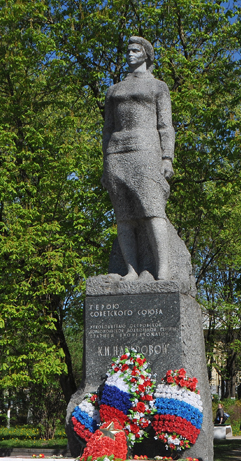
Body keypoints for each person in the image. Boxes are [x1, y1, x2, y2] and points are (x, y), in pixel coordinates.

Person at [102, 36, 175, 281]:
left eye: (135, 50)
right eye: (128, 50)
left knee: (153, 210)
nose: (130, 54)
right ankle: (132, 269)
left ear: (146, 54)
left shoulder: (158, 86)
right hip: (117, 152)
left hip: (146, 150)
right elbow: (107, 129)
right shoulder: (114, 90)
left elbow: (166, 126)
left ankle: (162, 268)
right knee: (124, 216)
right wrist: (105, 165)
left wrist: (167, 157)